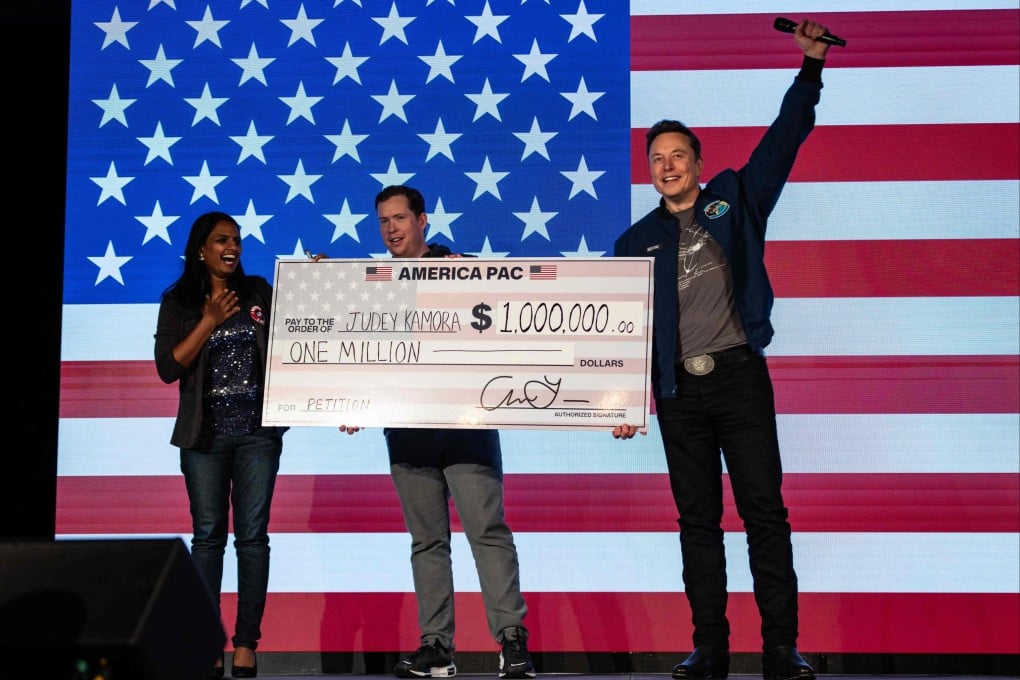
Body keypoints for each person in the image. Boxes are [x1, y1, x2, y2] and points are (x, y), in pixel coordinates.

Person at [611, 19, 836, 680]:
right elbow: (618, 332)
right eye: (657, 158)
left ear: (698, 164)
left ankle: (779, 650)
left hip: (739, 380)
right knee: (697, 525)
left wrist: (810, 70)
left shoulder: (735, 200)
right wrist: (618, 400)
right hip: (679, 395)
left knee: (765, 514)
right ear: (649, 172)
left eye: (677, 154)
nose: (667, 165)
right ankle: (709, 649)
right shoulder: (632, 245)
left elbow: (783, 142)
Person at [342, 185, 536, 679]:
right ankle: (437, 648)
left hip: (466, 426)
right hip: (408, 432)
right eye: (383, 221)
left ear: (422, 220)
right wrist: (346, 399)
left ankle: (512, 640)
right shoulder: (370, 285)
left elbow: (508, 318)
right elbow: (356, 350)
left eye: (400, 219)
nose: (391, 229)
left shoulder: (462, 267)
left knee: (487, 532)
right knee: (427, 540)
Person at [154, 211, 321, 679]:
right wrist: (208, 319)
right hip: (204, 438)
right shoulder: (179, 302)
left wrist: (319, 282)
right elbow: (168, 368)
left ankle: (246, 645)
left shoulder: (258, 293)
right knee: (208, 538)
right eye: (222, 240)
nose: (233, 247)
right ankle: (208, 643)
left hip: (257, 436)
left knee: (252, 538)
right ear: (200, 249)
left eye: (238, 240)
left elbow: (302, 332)